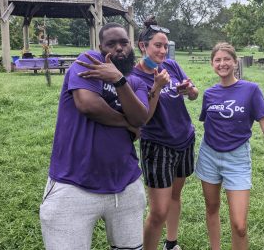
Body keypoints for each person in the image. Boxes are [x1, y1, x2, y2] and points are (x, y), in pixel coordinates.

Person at [39, 23, 149, 250]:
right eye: (111, 44)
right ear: (101, 47)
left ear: (131, 46)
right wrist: (125, 122)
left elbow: (140, 118)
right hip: (73, 183)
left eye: (124, 43)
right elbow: (88, 105)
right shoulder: (88, 61)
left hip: (125, 184)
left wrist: (119, 80)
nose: (119, 48)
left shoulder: (136, 82)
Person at [195, 42, 264, 250]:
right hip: (209, 157)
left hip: (237, 159)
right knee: (212, 208)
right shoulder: (209, 94)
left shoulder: (251, 90)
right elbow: (209, 124)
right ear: (212, 63)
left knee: (240, 225)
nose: (222, 63)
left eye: (226, 59)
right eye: (217, 60)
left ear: (235, 62)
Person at [131, 17, 199, 250]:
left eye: (165, 46)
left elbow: (193, 94)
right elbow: (142, 118)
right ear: (143, 46)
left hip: (184, 139)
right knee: (158, 211)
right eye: (157, 45)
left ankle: (171, 243)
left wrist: (189, 90)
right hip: (158, 145)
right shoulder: (134, 77)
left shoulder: (171, 65)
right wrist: (157, 87)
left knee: (175, 197)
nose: (162, 50)